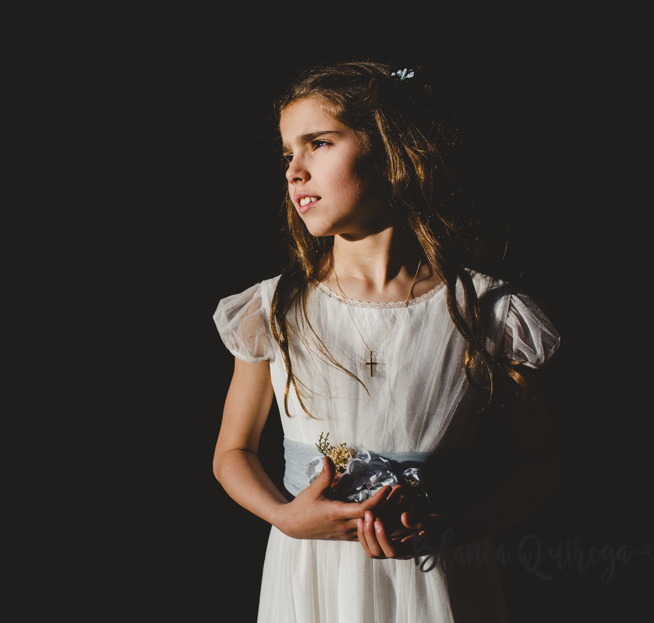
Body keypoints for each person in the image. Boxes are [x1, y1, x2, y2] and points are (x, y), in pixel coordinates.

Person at [211, 62, 560, 622]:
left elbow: (537, 465)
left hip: (435, 575)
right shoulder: (273, 307)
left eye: (318, 143)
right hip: (310, 575)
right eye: (286, 155)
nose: (295, 171)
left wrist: (458, 528)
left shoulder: (485, 311)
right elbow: (232, 453)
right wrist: (284, 516)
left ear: (391, 151)